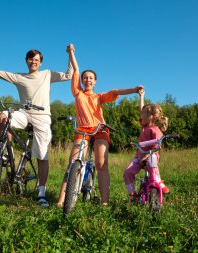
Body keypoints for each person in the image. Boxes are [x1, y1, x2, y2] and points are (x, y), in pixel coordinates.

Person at [0, 46, 74, 207]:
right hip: (24, 114)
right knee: (3, 116)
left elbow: (69, 74)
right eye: (31, 59)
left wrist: (71, 54)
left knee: (41, 156)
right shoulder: (19, 77)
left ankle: (41, 193)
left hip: (42, 116)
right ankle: (8, 151)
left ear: (40, 63)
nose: (34, 62)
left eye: (36, 60)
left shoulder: (47, 74)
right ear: (26, 61)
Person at [57, 44, 143, 206]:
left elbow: (115, 92)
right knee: (73, 162)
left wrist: (133, 90)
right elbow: (76, 69)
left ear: (95, 82)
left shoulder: (99, 96)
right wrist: (71, 53)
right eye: (85, 78)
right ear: (82, 81)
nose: (87, 80)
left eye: (91, 78)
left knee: (101, 164)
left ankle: (104, 201)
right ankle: (61, 200)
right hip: (82, 129)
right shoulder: (78, 93)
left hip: (100, 130)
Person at [123, 88, 169, 202]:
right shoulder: (144, 127)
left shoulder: (156, 130)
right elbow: (141, 109)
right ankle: (132, 194)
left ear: (151, 117)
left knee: (151, 163)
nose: (140, 115)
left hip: (151, 155)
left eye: (143, 113)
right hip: (139, 156)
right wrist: (141, 97)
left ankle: (157, 182)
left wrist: (148, 155)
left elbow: (157, 146)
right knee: (127, 172)